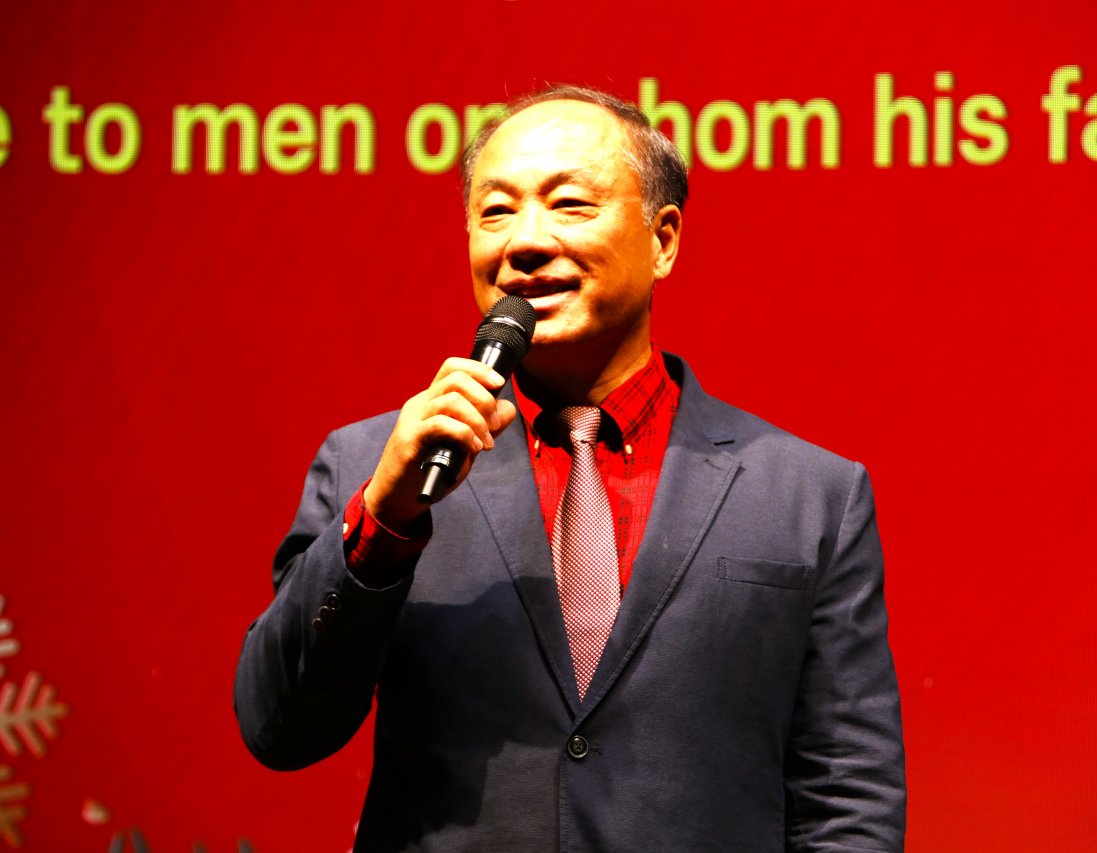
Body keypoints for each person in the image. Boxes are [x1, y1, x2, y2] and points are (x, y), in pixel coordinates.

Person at [234, 84, 906, 852]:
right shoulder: (375, 470)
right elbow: (278, 725)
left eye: (569, 204)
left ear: (664, 239)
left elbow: (846, 797)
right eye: (495, 212)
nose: (524, 240)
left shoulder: (809, 496)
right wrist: (385, 518)